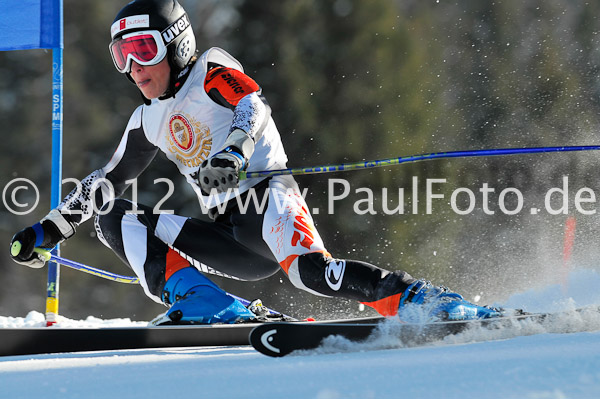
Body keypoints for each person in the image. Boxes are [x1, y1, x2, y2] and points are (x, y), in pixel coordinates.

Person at [9, 0, 501, 324]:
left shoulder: (212, 70)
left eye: (143, 50)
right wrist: (48, 231)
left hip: (270, 203)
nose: (134, 68)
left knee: (313, 274)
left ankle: (427, 303)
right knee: (112, 214)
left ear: (176, 42)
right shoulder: (147, 120)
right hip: (227, 236)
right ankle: (208, 304)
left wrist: (233, 152)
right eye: (122, 56)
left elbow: (252, 107)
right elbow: (104, 181)